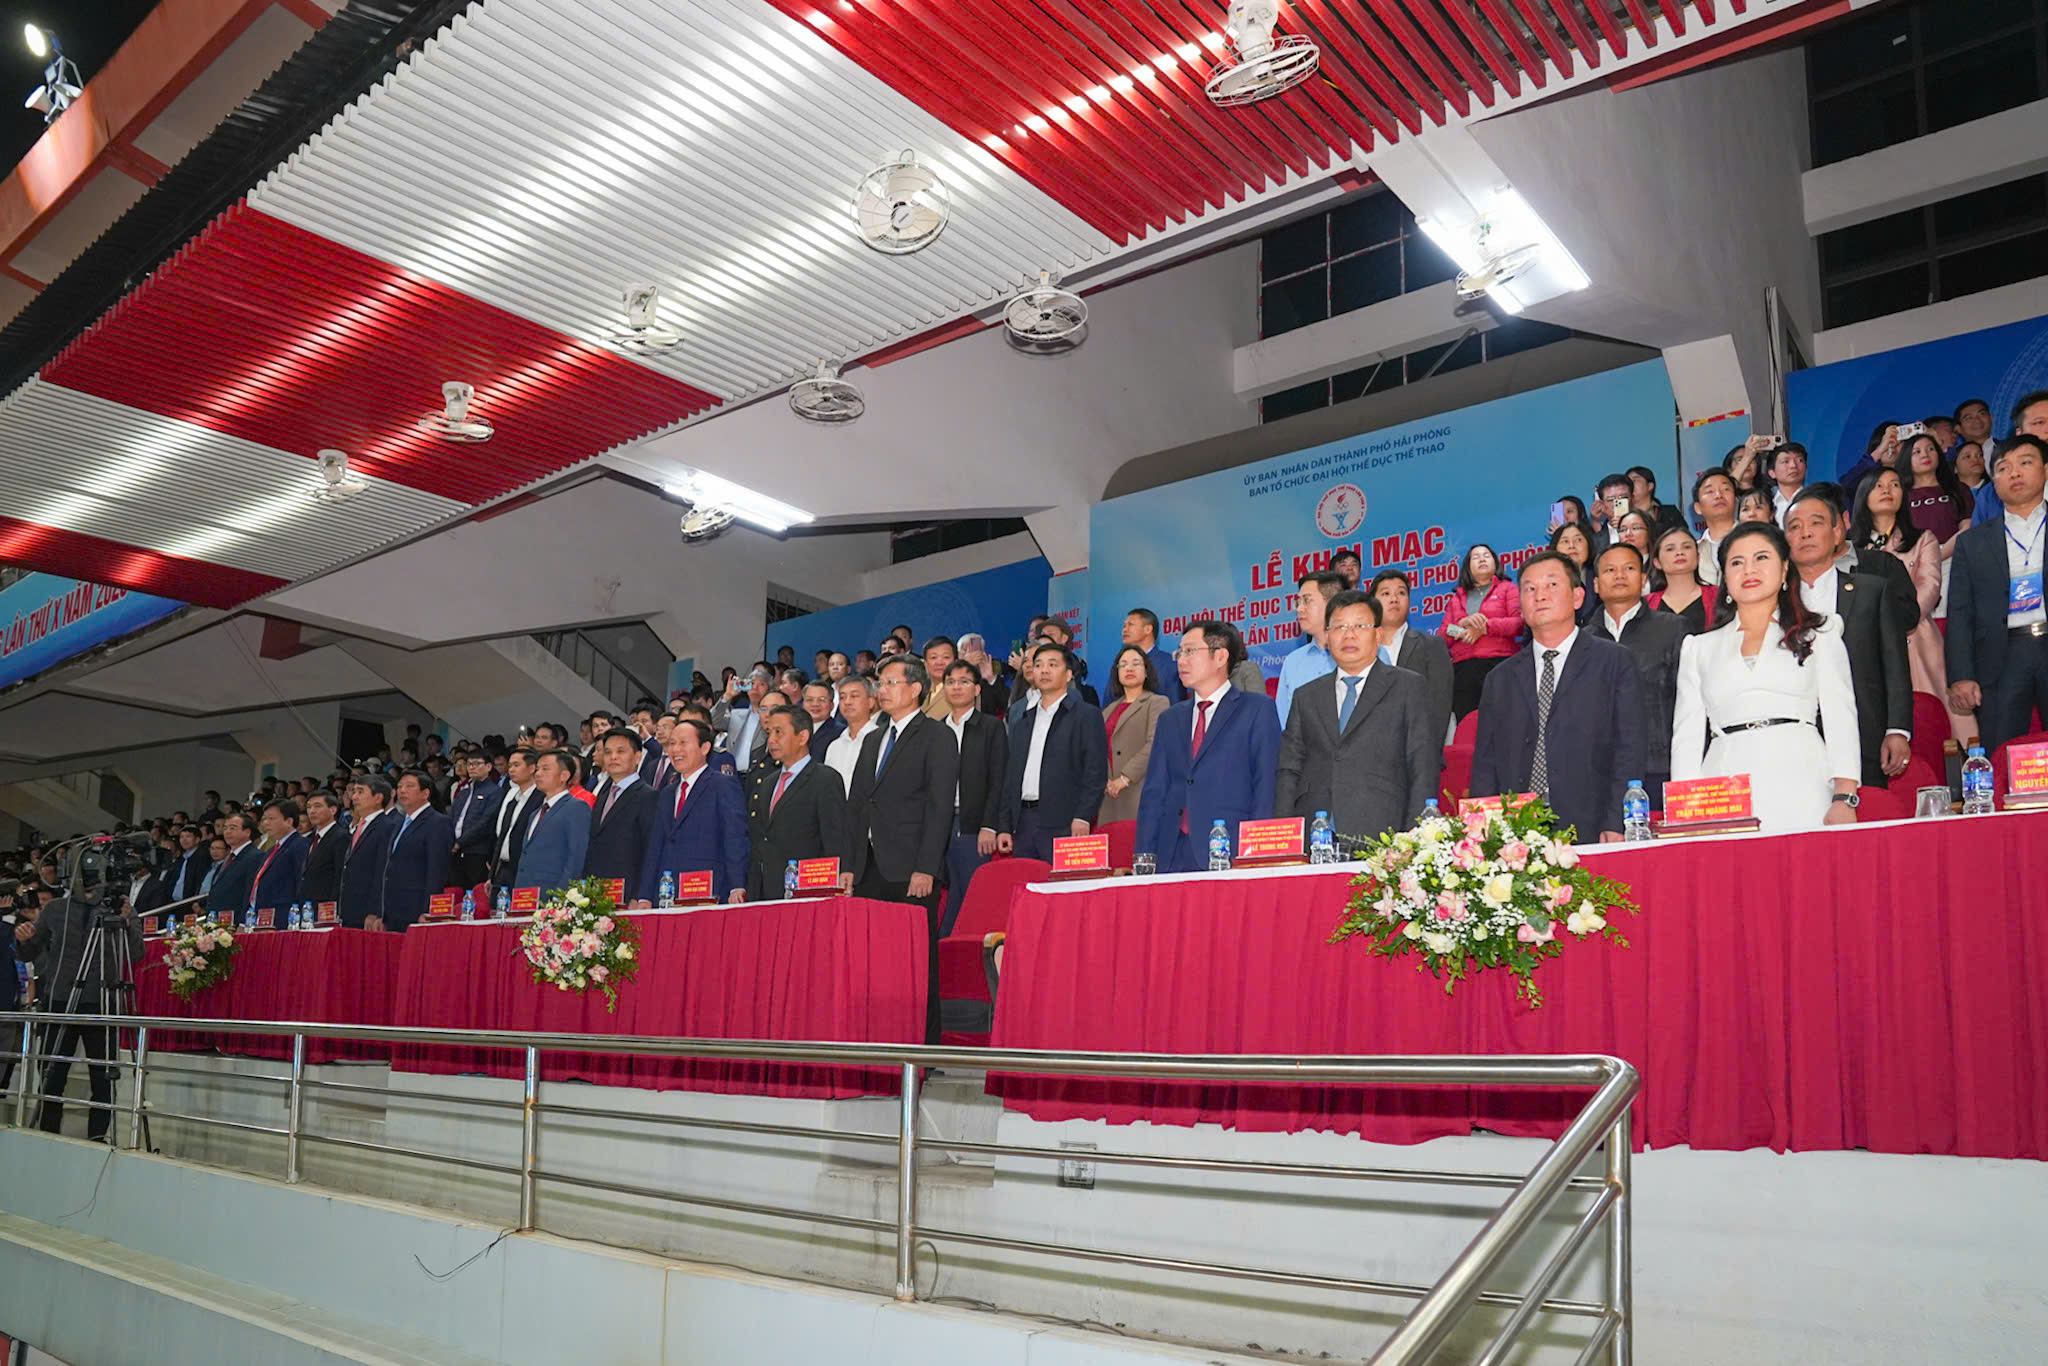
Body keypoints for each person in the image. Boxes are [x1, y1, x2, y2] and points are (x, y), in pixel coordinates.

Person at [1671, 522, 1862, 833]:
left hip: (1804, 782)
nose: (1749, 570)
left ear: (1785, 569)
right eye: (1737, 562)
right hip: (1723, 787)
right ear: (1724, 578)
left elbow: (1841, 716)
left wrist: (1845, 795)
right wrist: (1684, 814)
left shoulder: (1819, 633)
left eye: (1761, 558)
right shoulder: (1698, 648)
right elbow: (1686, 739)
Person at [1470, 552, 1645, 843]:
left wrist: (1616, 820)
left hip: (1592, 824)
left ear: (1577, 597)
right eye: (1530, 588)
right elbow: (1486, 764)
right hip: (1516, 835)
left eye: (1551, 585)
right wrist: (1482, 834)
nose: (1539, 596)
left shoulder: (1614, 661)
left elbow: (1630, 748)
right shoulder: (1500, 679)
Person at [842, 658, 958, 1043]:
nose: (883, 690)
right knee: (872, 961)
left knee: (917, 962)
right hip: (869, 867)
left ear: (916, 689)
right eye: (881, 683)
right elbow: (857, 805)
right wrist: (849, 865)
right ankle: (877, 1043)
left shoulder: (937, 736)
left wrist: (927, 867)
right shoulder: (873, 738)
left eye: (891, 682)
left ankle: (924, 1051)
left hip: (911, 869)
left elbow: (940, 807)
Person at [1274, 590, 1440, 849]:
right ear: (1327, 636)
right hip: (1314, 836)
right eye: (1339, 627)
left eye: (1359, 626)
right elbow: (1289, 770)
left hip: (1384, 833)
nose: (1348, 635)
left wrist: (1415, 839)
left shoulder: (1408, 686)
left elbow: (1422, 765)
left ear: (1378, 635)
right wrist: (1285, 840)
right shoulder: (1306, 696)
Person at [1784, 486, 1914, 787]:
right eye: (1794, 527)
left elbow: (1894, 664)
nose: (1805, 533)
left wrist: (1897, 730)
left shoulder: (1872, 590)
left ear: (1837, 532)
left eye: (1816, 523)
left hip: (1864, 731)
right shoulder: (1773, 600)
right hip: (1793, 739)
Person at [1134, 619, 1282, 874]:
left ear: (1220, 657)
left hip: (1230, 850)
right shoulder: (1170, 718)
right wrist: (1144, 857)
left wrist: (1256, 856)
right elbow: (1154, 793)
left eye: (1190, 651)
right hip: (1171, 853)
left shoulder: (1257, 709)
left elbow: (1265, 786)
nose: (1181, 660)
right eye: (1179, 652)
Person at [13, 884, 142, 1141]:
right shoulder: (55, 908)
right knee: (51, 1076)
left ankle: (98, 1139)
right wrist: (22, 938)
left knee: (103, 1079)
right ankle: (48, 1136)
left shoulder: (121, 908)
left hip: (102, 1002)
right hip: (59, 1000)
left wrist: (126, 923)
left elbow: (137, 953)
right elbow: (28, 951)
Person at [1946, 434, 2048, 752]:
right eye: (2003, 468)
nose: (2014, 473)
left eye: (2025, 463)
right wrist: (1961, 675)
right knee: (2002, 751)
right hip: (2001, 654)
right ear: (1994, 481)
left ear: (2045, 470)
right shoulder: (1972, 542)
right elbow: (1960, 612)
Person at [1854, 467, 1970, 741]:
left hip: (1915, 636)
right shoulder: (1852, 547)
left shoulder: (1922, 539)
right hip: (1867, 642)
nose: (1887, 490)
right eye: (1878, 485)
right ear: (1864, 495)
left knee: (1935, 715)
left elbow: (1929, 587)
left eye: (1894, 484)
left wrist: (1893, 623)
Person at [1590, 543, 1694, 800]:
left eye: (1629, 568)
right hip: (1598, 773)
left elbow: (1690, 704)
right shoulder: (1582, 641)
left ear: (1643, 580)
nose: (1619, 575)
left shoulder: (1673, 629)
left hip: (1659, 769)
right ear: (1596, 585)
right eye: (1610, 570)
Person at [996, 643, 1108, 862]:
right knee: (1027, 882)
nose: (1044, 670)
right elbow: (1010, 776)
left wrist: (1083, 816)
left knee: (1062, 883)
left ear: (1068, 675)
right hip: (1024, 822)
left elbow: (1095, 773)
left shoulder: (1086, 715)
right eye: (1038, 665)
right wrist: (1004, 825)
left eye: (1052, 665)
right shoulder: (1021, 717)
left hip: (1066, 822)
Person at [636, 719, 749, 905]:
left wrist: (737, 886)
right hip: (668, 896)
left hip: (708, 892)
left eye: (683, 743)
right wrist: (645, 896)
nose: (675, 749)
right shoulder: (667, 793)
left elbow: (735, 837)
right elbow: (655, 846)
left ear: (704, 748)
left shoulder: (722, 785)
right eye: (672, 743)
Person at [744, 706, 849, 902]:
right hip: (766, 891)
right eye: (769, 733)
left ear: (802, 737)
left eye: (779, 732)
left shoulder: (825, 779)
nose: (771, 740)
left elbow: (834, 839)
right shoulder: (768, 783)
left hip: (806, 890)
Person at [939, 660, 1007, 924]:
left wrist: (990, 825)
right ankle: (946, 945)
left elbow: (998, 779)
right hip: (940, 827)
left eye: (964, 682)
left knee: (971, 896)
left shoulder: (990, 727)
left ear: (977, 689)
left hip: (974, 826)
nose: (956, 687)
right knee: (948, 896)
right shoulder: (935, 730)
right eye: (950, 682)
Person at [1370, 570, 1454, 745]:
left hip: (1416, 750)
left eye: (1401, 593)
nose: (1394, 599)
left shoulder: (1431, 645)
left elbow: (1440, 705)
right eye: (1385, 594)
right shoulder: (1361, 649)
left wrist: (1425, 753)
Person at [1440, 544, 1520, 721]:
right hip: (1463, 671)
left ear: (1495, 563)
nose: (1482, 559)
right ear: (1468, 567)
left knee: (1505, 723)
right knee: (1468, 727)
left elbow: (1519, 624)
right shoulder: (1456, 599)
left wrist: (1485, 628)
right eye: (1476, 557)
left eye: (1486, 555)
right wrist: (1461, 625)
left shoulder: (1508, 589)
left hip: (1500, 665)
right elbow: (1442, 637)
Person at [1099, 645, 1168, 827]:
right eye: (1123, 665)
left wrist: (1125, 778)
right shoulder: (1107, 710)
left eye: (1136, 664)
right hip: (1108, 794)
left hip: (1138, 790)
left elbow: (1155, 744)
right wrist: (1105, 780)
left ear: (1146, 672)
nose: (1129, 668)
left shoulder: (1157, 702)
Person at [584, 729, 657, 895]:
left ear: (637, 757)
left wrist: (640, 894)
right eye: (608, 752)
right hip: (597, 890)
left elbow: (649, 850)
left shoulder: (648, 796)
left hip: (627, 890)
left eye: (620, 751)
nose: (613, 757)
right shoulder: (603, 795)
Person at [378, 772, 454, 932]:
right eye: (399, 786)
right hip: (392, 909)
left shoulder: (438, 822)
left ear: (425, 793)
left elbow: (436, 871)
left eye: (409, 786)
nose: (402, 790)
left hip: (416, 909)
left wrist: (428, 911)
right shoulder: (399, 823)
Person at [512, 751, 591, 897]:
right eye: (537, 769)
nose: (538, 774)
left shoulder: (576, 808)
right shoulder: (535, 813)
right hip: (525, 894)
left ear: (564, 776)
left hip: (552, 895)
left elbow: (576, 857)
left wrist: (561, 896)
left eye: (545, 769)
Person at [1275, 570, 1343, 725]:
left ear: (1333, 604)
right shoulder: (1292, 662)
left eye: (1307, 600)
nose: (1299, 609)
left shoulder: (1368, 653)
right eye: (1298, 602)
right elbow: (1283, 723)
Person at [337, 775, 396, 930]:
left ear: (378, 798)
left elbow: (382, 872)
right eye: (354, 792)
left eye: (360, 792)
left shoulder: (386, 826)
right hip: (349, 909)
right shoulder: (360, 826)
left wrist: (375, 911)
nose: (354, 797)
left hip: (367, 912)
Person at [1902, 431, 1974, 557]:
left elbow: (1967, 526)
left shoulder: (1959, 489)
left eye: (1930, 449)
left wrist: (1938, 556)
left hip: (1954, 556)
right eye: (1917, 452)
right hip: (1912, 558)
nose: (1925, 455)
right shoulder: (1900, 494)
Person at [487, 748, 542, 893]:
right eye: (510, 765)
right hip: (503, 869)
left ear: (532, 768)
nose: (511, 770)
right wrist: (492, 875)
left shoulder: (541, 799)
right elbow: (503, 836)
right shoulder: (513, 799)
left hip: (524, 870)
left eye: (516, 765)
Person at [1647, 526, 1718, 633]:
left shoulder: (1718, 596)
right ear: (1657, 563)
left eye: (1687, 547)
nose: (1679, 552)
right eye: (1670, 549)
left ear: (1698, 557)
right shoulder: (1646, 604)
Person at [450, 752, 505, 889]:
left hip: (478, 852)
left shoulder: (495, 791)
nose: (471, 767)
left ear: (488, 767)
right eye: (469, 764)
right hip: (456, 851)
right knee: (456, 891)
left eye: (476, 764)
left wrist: (460, 842)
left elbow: (486, 822)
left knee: (476, 892)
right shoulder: (463, 792)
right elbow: (452, 818)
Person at [247, 799, 309, 916]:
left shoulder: (300, 845)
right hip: (263, 914)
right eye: (265, 819)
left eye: (271, 818)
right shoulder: (272, 850)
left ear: (289, 821)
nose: (266, 823)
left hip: (284, 915)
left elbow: (301, 884)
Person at [204, 812, 261, 917]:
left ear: (247, 832)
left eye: (232, 828)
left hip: (236, 918)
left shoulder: (255, 856)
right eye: (225, 828)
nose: (227, 832)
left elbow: (250, 893)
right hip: (219, 918)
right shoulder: (229, 857)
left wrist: (244, 921)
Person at [1123, 608, 1185, 703]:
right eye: (1124, 626)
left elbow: (1176, 705)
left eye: (1130, 625)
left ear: (1148, 629)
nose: (1124, 630)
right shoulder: (1121, 666)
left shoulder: (1170, 665)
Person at [296, 790, 347, 906]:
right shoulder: (312, 839)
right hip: (306, 906)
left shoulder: (341, 837)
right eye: (309, 807)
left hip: (326, 907)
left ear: (333, 810)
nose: (312, 811)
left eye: (317, 806)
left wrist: (331, 908)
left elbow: (339, 877)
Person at [1692, 466, 1740, 586]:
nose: (1719, 495)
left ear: (1735, 500)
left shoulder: (1755, 539)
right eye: (1710, 491)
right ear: (1698, 508)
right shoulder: (1693, 552)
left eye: (1726, 489)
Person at [1547, 522, 1600, 625]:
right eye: (1565, 541)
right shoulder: (1546, 584)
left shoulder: (1601, 576)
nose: (1572, 546)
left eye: (1578, 540)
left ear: (1588, 544)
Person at [1627, 465, 1686, 538]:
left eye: (1634, 480)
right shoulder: (1622, 514)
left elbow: (1684, 538)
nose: (1630, 484)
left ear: (1650, 486)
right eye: (1627, 482)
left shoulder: (1670, 514)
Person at [162, 825, 208, 905]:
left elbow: (199, 882)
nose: (184, 839)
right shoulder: (180, 859)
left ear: (197, 839)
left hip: (190, 903)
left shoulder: (203, 857)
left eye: (188, 836)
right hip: (173, 903)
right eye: (182, 837)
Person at [1767, 442, 1809, 523]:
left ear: (1806, 468)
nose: (1793, 465)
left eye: (1800, 460)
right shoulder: (1767, 503)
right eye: (1785, 461)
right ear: (1772, 473)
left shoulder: (1816, 500)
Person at [803, 681, 845, 760]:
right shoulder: (795, 729)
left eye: (822, 700)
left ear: (832, 705)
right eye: (809, 700)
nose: (815, 704)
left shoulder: (841, 733)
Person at [920, 637, 958, 719]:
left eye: (946, 657)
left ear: (955, 662)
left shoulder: (960, 690)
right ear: (925, 663)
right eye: (933, 657)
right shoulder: (920, 690)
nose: (939, 662)